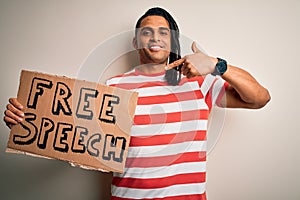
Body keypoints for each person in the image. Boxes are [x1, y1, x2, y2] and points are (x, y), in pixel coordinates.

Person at [4, 7, 270, 200]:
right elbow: (76, 138)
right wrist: (28, 119)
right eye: (147, 32)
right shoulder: (113, 87)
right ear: (136, 42)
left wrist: (216, 65)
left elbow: (259, 98)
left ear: (172, 41)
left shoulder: (199, 82)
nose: (155, 37)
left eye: (164, 32)